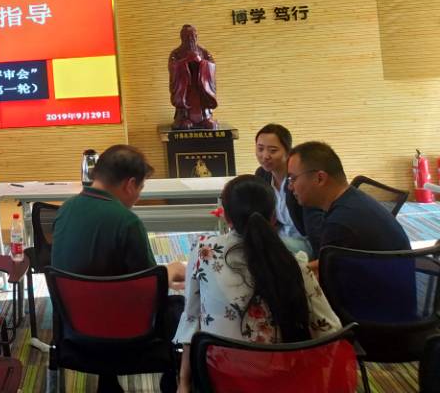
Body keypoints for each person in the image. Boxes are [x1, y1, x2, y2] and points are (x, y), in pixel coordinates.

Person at [174, 175, 341, 393]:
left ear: (226, 217)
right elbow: (330, 330)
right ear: (273, 217)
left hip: (221, 379)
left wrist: (184, 383)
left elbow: (191, 318)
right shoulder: (294, 263)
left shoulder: (204, 252)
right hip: (285, 381)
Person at [51, 145, 186, 393]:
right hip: (127, 335)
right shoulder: (127, 221)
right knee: (181, 308)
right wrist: (171, 271)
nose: (138, 196)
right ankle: (172, 381)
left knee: (104, 291)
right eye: (141, 188)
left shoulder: (65, 209)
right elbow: (149, 290)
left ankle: (108, 383)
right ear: (130, 184)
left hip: (72, 329)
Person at [287, 141, 410, 267]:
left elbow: (326, 274)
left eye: (293, 178)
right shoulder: (353, 200)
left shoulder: (339, 224)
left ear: (320, 178)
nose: (290, 187)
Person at [252, 123, 323, 256]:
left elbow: (315, 225)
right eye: (260, 149)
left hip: (305, 241)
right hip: (280, 236)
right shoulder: (262, 175)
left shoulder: (300, 177)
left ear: (288, 151)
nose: (265, 156)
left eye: (273, 151)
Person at [168, 24, 217, 129]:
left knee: (203, 101)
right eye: (187, 36)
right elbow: (172, 67)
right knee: (185, 105)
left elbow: (212, 64)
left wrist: (201, 61)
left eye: (193, 36)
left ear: (196, 37)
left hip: (200, 86)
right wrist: (185, 61)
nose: (190, 39)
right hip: (186, 87)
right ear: (182, 37)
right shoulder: (176, 53)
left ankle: (206, 117)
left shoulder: (203, 51)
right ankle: (183, 118)